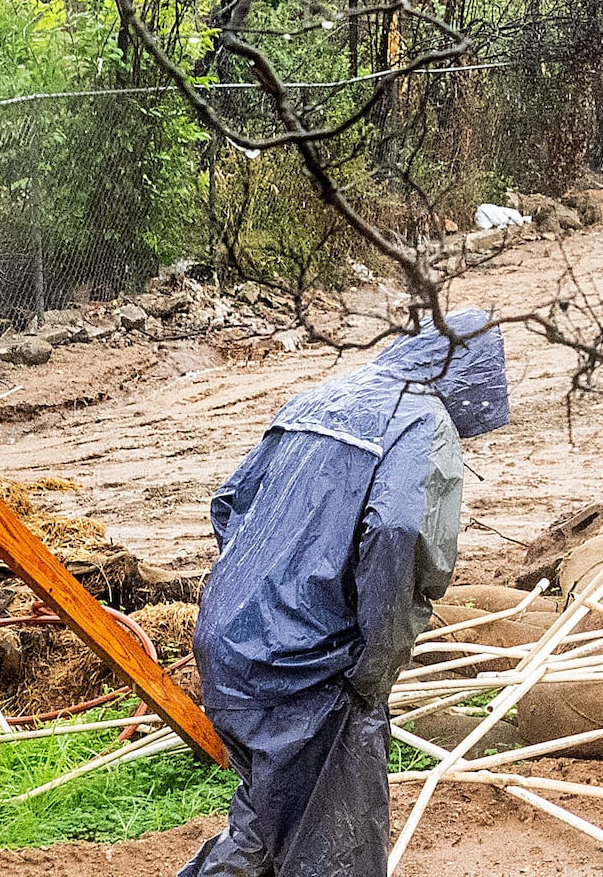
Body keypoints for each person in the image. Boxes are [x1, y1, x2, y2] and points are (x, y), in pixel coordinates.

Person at [179, 309, 510, 877]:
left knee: (264, 827)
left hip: (229, 645)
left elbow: (229, 501)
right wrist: (373, 663)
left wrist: (262, 593)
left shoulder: (317, 400)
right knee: (336, 850)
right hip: (305, 670)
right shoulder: (420, 421)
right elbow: (399, 532)